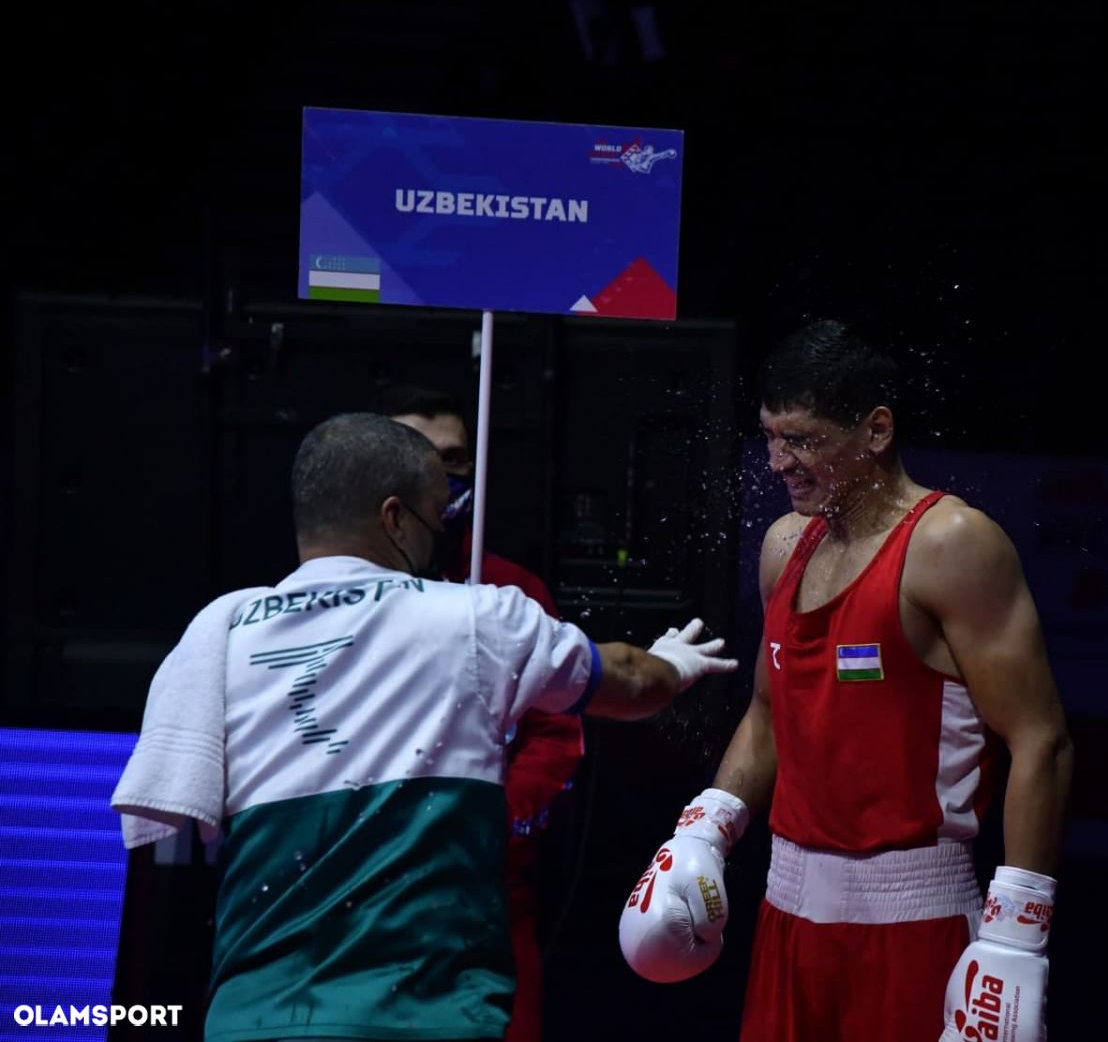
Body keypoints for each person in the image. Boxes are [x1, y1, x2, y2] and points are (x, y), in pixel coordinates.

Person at [112, 413, 736, 1042]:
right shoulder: (473, 617)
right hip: (427, 1018)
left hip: (252, 1019)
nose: (443, 530)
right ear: (395, 519)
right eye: (437, 513)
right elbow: (627, 680)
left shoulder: (222, 630)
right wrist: (674, 664)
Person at [619, 321, 1074, 1042]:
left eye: (801, 439)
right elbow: (770, 714)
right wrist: (708, 824)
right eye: (770, 436)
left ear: (876, 430)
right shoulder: (783, 545)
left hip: (914, 924)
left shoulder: (951, 543)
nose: (778, 462)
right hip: (787, 916)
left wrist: (1018, 927)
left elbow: (1040, 738)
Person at [370, 385, 582, 1042]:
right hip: (360, 892)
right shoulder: (332, 593)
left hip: (482, 891)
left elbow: (554, 734)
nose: (438, 474)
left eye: (453, 458)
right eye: (416, 454)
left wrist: (491, 824)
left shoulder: (511, 591)